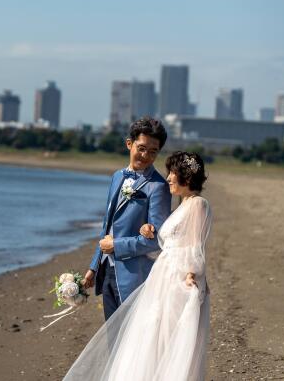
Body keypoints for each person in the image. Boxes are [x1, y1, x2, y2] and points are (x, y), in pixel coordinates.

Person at [64, 151, 212, 380]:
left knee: (168, 336)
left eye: (173, 173)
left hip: (178, 278)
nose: (169, 178)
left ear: (187, 177)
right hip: (162, 275)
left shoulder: (198, 204)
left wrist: (192, 274)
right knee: (151, 335)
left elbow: (194, 245)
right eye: (169, 173)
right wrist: (148, 229)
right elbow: (167, 240)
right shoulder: (182, 206)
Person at [81, 117, 172, 320]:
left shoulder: (158, 187)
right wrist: (93, 267)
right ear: (129, 144)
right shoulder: (116, 177)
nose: (145, 155)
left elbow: (157, 240)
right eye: (141, 148)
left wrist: (117, 246)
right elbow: (107, 225)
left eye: (153, 151)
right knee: (112, 339)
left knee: (130, 343)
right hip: (107, 272)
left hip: (134, 277)